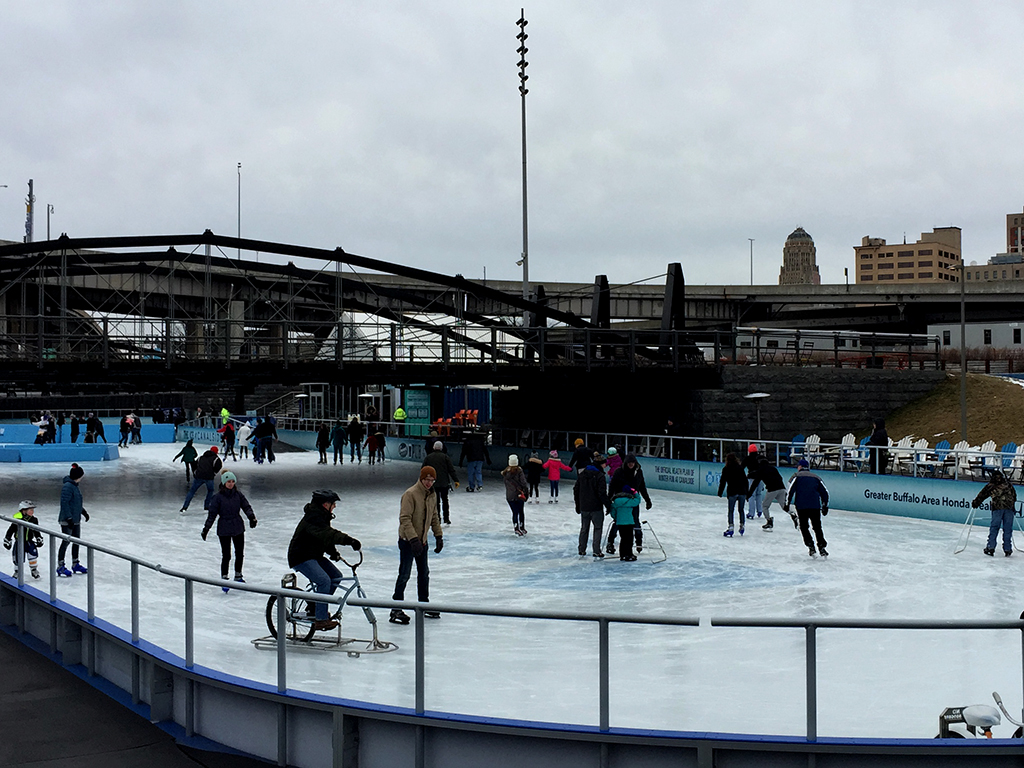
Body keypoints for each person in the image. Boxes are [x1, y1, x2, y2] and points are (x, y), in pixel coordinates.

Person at [287, 489, 362, 632]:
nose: (334, 506)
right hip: (301, 556)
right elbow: (328, 534)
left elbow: (323, 538)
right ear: (325, 504)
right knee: (324, 581)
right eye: (333, 504)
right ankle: (321, 619)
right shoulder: (313, 518)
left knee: (336, 576)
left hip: (313, 554)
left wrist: (333, 553)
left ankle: (316, 606)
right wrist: (349, 540)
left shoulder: (322, 516)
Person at [389, 466, 444, 624]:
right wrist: (413, 540)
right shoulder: (410, 494)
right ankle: (396, 608)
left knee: (424, 573)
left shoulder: (432, 494)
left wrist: (438, 535)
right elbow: (404, 518)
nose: (429, 483)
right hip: (408, 542)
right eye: (426, 480)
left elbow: (434, 516)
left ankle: (423, 604)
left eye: (432, 480)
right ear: (421, 478)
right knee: (404, 574)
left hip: (423, 541)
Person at [202, 471, 257, 584]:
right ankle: (224, 577)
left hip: (237, 526)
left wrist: (251, 517)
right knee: (226, 555)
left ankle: (238, 575)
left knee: (240, 553)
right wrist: (206, 529)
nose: (231, 484)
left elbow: (246, 506)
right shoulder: (217, 498)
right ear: (224, 483)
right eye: (228, 481)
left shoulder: (238, 495)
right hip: (224, 528)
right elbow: (212, 515)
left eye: (232, 481)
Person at [786, 459, 830, 557]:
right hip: (814, 506)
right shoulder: (816, 477)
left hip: (801, 507)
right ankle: (822, 547)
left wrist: (787, 503)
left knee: (804, 527)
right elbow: (825, 492)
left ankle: (810, 545)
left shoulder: (796, 477)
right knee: (817, 527)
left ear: (800, 467)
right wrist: (825, 505)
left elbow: (789, 491)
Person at [972, 468, 1018, 557]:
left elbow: (982, 495)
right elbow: (1014, 496)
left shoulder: (991, 485)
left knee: (995, 527)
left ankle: (990, 547)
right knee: (1007, 529)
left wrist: (976, 503)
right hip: (1009, 508)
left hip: (998, 508)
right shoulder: (1008, 484)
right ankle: (1007, 548)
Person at [575, 454, 611, 557]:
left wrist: (578, 505)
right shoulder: (600, 476)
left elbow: (576, 490)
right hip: (596, 508)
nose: (606, 465)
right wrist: (608, 505)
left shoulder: (582, 474)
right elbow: (602, 493)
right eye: (604, 464)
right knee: (598, 528)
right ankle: (596, 550)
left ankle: (581, 549)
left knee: (584, 528)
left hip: (584, 507)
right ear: (601, 464)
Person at [57, 463, 90, 577]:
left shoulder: (75, 486)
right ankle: (60, 566)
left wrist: (83, 512)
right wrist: (69, 518)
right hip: (67, 520)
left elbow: (76, 503)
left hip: (76, 519)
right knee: (66, 541)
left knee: (77, 542)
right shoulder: (67, 486)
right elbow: (64, 503)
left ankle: (75, 563)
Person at [746, 456, 791, 531]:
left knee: (765, 506)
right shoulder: (773, 468)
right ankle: (794, 515)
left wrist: (749, 494)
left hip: (772, 490)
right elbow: (780, 478)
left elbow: (755, 483)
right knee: (784, 506)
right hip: (781, 488)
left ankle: (769, 521)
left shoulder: (761, 470)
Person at [4, 500, 43, 579]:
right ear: (23, 510)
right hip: (19, 541)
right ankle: (17, 571)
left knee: (33, 555)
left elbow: (36, 530)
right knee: (18, 557)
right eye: (30, 510)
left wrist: (39, 537)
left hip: (29, 541)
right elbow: (11, 530)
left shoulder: (34, 520)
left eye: (33, 510)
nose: (32, 511)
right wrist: (8, 539)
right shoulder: (17, 520)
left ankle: (34, 569)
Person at [423, 441, 459, 525]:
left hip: (433, 483)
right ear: (441, 448)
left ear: (434, 447)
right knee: (445, 500)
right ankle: (446, 518)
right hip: (444, 483)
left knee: (436, 502)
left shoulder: (429, 457)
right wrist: (456, 480)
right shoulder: (445, 457)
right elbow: (451, 470)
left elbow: (423, 470)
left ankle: (437, 518)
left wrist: (423, 482)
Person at [181, 446, 222, 514]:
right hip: (209, 478)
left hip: (199, 477)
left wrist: (195, 472)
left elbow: (194, 465)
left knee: (192, 491)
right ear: (216, 452)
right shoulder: (216, 459)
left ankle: (185, 507)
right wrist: (213, 473)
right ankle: (206, 506)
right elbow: (218, 466)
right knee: (210, 490)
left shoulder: (201, 457)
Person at [718, 453, 749, 537]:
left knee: (731, 510)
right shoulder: (740, 468)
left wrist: (720, 492)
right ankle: (742, 526)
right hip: (742, 492)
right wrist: (747, 492)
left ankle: (731, 527)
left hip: (732, 492)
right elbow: (745, 481)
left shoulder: (726, 469)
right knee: (741, 510)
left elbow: (722, 481)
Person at [610, 486, 641, 561]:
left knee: (623, 538)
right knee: (629, 539)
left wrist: (616, 518)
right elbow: (638, 500)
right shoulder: (630, 501)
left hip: (620, 522)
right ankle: (629, 554)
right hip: (629, 522)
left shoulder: (616, 501)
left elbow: (613, 512)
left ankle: (622, 555)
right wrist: (635, 493)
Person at [502, 454, 530, 535]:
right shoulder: (519, 471)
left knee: (515, 512)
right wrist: (526, 491)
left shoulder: (505, 472)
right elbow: (524, 483)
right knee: (521, 511)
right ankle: (522, 527)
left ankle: (516, 528)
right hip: (519, 494)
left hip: (510, 496)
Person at [744, 444, 765, 520]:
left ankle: (751, 513)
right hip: (761, 478)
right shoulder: (761, 458)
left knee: (751, 495)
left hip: (752, 478)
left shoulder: (748, 458)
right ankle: (760, 510)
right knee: (759, 494)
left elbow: (741, 467)